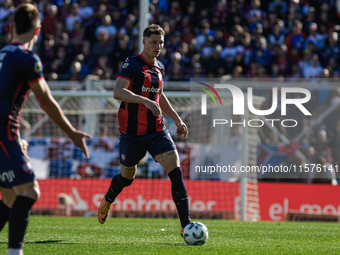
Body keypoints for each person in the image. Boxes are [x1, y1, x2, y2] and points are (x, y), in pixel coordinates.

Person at [0, 4, 92, 255]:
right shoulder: (26, 58)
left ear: (11, 27)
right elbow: (47, 101)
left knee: (9, 197)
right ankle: (14, 252)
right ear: (38, 30)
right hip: (3, 136)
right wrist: (72, 133)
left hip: (7, 135)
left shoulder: (3, 54)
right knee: (30, 191)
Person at [97, 24, 191, 236]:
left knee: (176, 171)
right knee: (127, 178)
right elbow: (118, 92)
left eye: (161, 43)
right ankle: (108, 200)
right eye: (154, 42)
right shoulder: (132, 64)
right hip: (132, 134)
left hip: (157, 131)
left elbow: (159, 96)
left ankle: (186, 226)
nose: (158, 46)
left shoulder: (160, 67)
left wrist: (177, 119)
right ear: (144, 42)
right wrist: (144, 101)